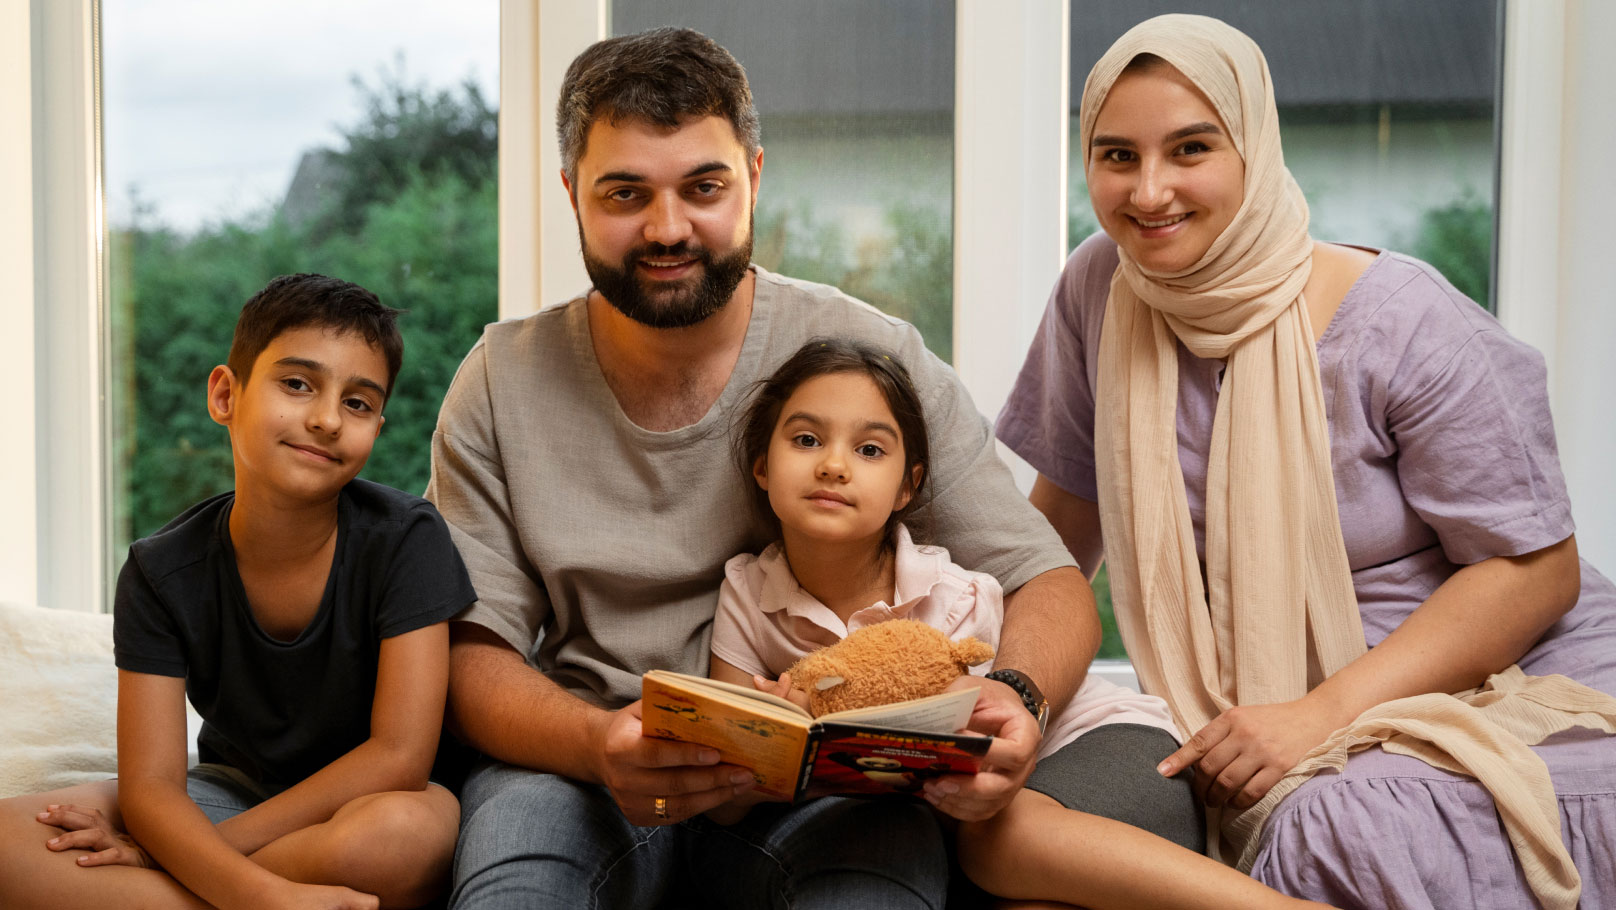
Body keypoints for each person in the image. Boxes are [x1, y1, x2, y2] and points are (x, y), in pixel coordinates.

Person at [426, 26, 1198, 909]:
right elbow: (471, 649)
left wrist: (1015, 700)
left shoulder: (866, 354)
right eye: (625, 193)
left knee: (872, 886)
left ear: (755, 177)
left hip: (818, 779)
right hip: (581, 757)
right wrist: (598, 742)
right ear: (571, 194)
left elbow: (1046, 580)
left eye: (704, 187)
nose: (668, 226)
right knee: (515, 889)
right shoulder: (499, 378)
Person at [995, 14, 1616, 910]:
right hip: (1246, 707)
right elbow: (1060, 527)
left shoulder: (1402, 320)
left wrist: (1319, 718)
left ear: (1253, 146)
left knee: (1340, 823)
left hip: (1496, 680)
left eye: (1191, 148)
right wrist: (980, 670)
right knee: (1005, 837)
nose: (1150, 190)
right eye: (1117, 155)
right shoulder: (1100, 287)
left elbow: (1536, 573)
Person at [710, 337, 1328, 910]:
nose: (834, 466)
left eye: (870, 449)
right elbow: (730, 781)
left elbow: (984, 758)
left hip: (1109, 755)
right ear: (763, 466)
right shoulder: (746, 591)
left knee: (997, 845)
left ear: (907, 486)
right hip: (980, 821)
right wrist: (770, 739)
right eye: (807, 441)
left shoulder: (954, 596)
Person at [0, 274, 476, 910]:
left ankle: (187, 894)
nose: (327, 419)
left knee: (400, 840)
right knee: (8, 838)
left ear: (378, 427)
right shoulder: (159, 571)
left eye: (358, 403)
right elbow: (151, 788)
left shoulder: (407, 540)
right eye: (297, 384)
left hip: (376, 799)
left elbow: (399, 757)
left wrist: (174, 853)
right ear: (226, 395)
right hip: (235, 787)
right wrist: (257, 892)